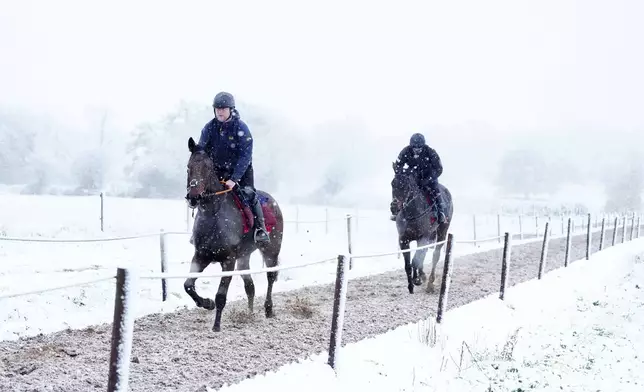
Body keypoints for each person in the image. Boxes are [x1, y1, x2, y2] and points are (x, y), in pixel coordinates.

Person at [192, 91, 270, 243]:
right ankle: (198, 232)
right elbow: (201, 151)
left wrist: (234, 178)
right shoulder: (209, 128)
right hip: (216, 172)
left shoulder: (242, 128)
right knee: (204, 195)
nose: (220, 111)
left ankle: (260, 229)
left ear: (231, 109)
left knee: (249, 194)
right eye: (217, 108)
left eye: (223, 108)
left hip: (241, 171)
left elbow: (245, 156)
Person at [390, 133, 447, 223]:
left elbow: (439, 169)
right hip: (413, 176)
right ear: (411, 146)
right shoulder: (405, 151)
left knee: (435, 190)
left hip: (429, 177)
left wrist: (428, 180)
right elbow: (398, 165)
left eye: (419, 148)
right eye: (414, 148)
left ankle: (440, 212)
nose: (417, 150)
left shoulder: (430, 152)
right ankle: (396, 209)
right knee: (399, 186)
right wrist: (402, 173)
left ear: (423, 146)